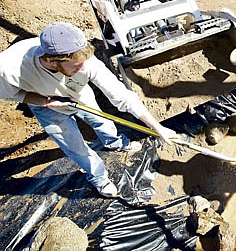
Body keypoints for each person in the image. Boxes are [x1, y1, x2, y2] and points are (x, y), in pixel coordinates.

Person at [0, 22, 178, 198]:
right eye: (77, 66)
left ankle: (116, 143)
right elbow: (13, 95)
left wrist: (158, 128)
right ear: (51, 61)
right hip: (45, 104)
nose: (84, 68)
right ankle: (99, 177)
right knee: (74, 145)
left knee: (101, 119)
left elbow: (122, 96)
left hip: (78, 92)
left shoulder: (85, 62)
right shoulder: (9, 68)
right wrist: (47, 102)